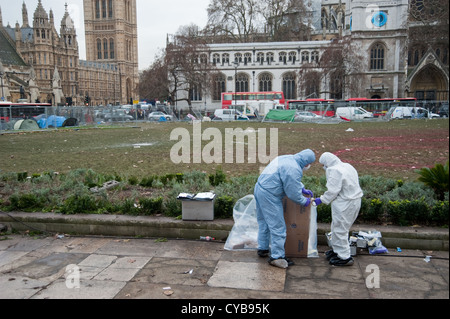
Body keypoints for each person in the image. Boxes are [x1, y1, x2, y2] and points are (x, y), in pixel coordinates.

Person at [254, 149, 316, 269]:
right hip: (269, 195)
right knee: (278, 227)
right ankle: (277, 257)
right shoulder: (294, 168)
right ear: (307, 163)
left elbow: (286, 178)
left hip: (259, 188)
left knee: (264, 222)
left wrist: (301, 188)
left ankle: (263, 248)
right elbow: (292, 193)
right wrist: (305, 201)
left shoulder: (286, 158)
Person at [313, 152, 363, 266]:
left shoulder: (334, 170)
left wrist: (321, 199)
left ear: (327, 163)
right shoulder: (347, 166)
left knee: (340, 229)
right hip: (354, 200)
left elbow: (332, 191)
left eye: (323, 165)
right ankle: (337, 251)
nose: (323, 167)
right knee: (337, 227)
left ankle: (344, 257)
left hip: (345, 203)